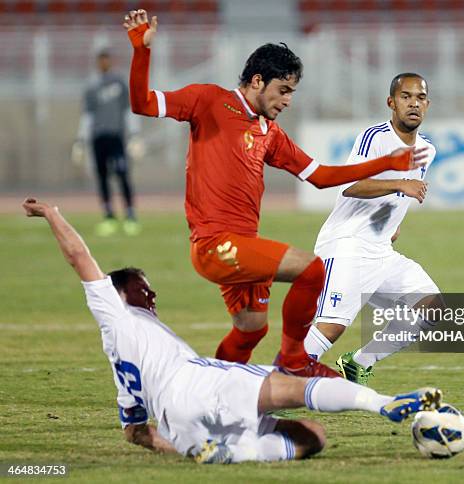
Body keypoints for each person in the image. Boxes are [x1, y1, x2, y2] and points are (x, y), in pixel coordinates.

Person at [22, 197, 443, 464]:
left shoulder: (122, 364)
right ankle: (383, 403)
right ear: (122, 293)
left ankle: (233, 452)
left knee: (312, 437)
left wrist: (181, 444)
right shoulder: (113, 312)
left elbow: (135, 433)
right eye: (142, 284)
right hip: (200, 380)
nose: (151, 291)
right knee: (293, 388)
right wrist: (53, 214)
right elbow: (80, 258)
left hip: (178, 423)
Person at [122, 10, 427, 378]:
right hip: (216, 244)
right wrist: (141, 51)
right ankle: (296, 361)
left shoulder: (271, 134)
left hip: (243, 248)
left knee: (251, 329)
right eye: (283, 91)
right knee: (310, 269)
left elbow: (322, 176)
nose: (287, 101)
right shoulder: (208, 100)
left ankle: (216, 393)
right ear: (256, 81)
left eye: (292, 92)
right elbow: (143, 104)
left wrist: (386, 164)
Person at [303, 73, 441, 385]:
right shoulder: (374, 138)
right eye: (406, 96)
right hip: (346, 244)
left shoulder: (427, 150)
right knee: (331, 326)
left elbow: (397, 198)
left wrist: (392, 223)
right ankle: (277, 386)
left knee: (433, 309)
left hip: (380, 251)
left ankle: (359, 362)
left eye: (420, 98)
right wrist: (400, 184)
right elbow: (349, 185)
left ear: (428, 104)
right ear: (391, 102)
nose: (413, 103)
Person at [73, 49, 142, 237]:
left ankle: (130, 215)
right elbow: (88, 115)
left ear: (110, 61)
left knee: (122, 173)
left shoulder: (119, 83)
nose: (104, 64)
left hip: (116, 136)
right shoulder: (92, 87)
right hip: (98, 138)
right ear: (98, 63)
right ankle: (108, 215)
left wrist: (135, 134)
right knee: (102, 176)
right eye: (101, 61)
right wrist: (80, 140)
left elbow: (128, 110)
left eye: (106, 60)